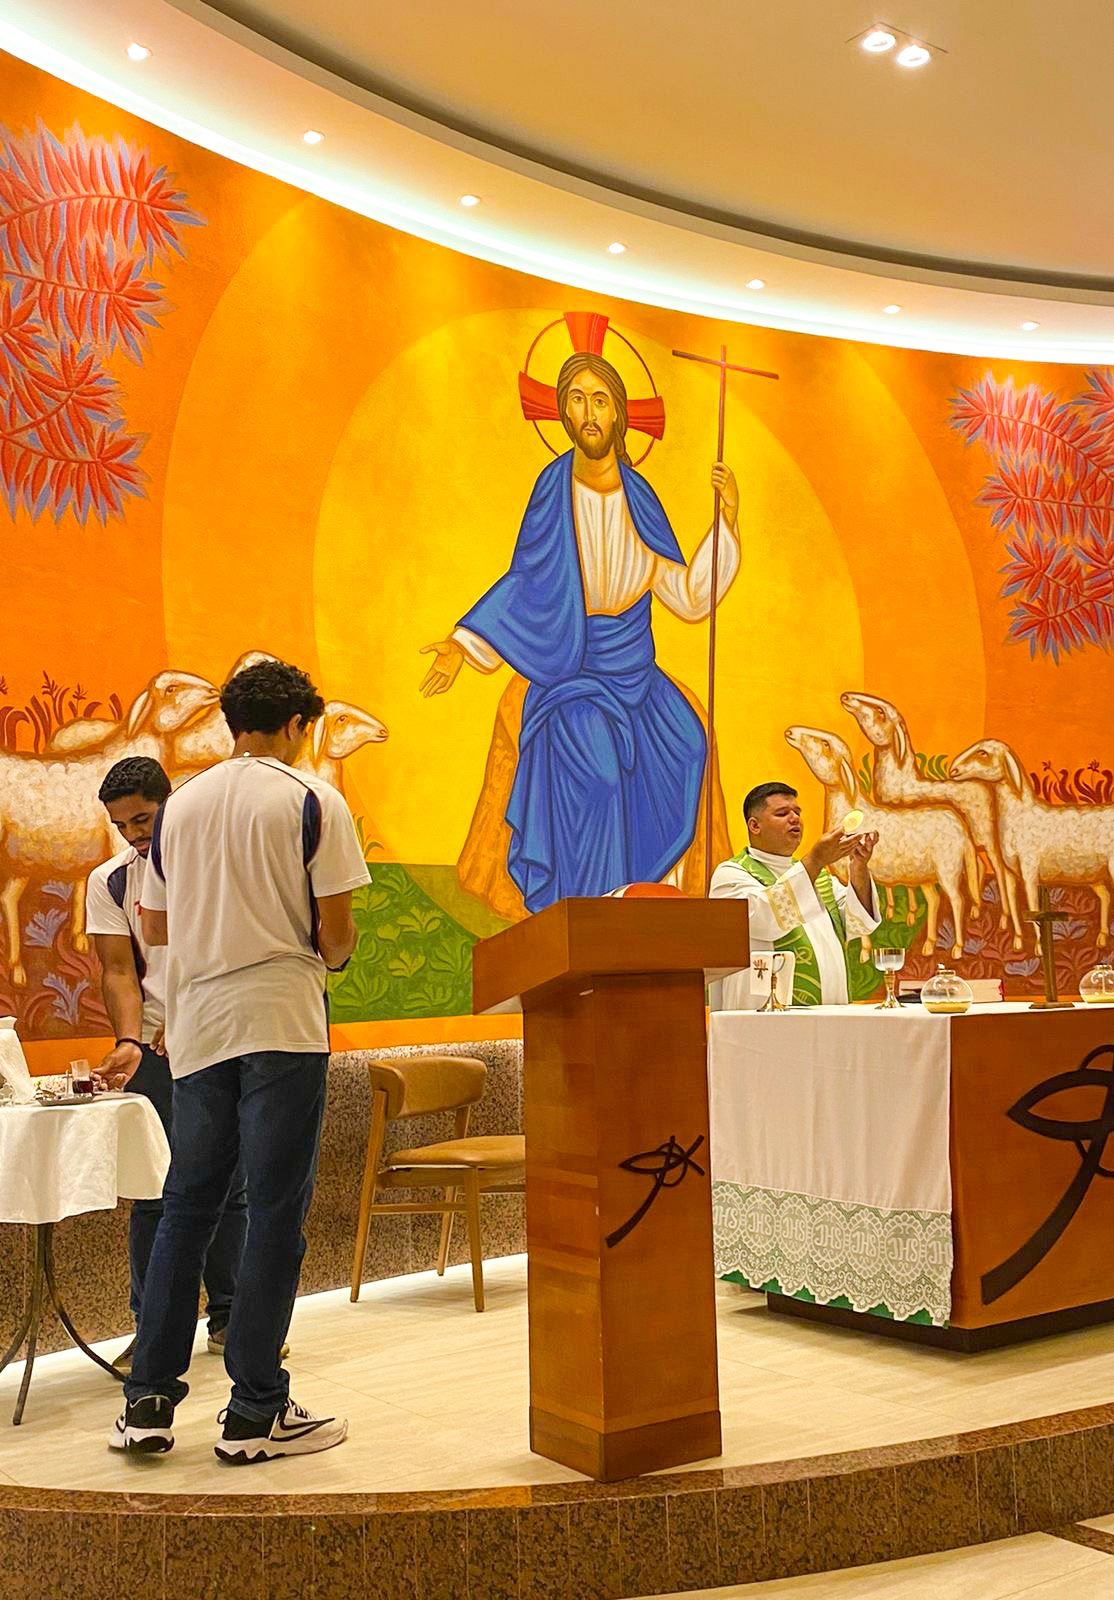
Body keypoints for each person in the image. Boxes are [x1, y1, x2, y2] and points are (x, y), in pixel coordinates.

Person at [106, 660, 370, 1464]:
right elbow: (335, 935)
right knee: (273, 1213)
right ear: (296, 725)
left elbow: (154, 927)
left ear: (231, 724)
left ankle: (147, 1402)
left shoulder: (180, 808)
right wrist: (325, 953)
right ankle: (256, 1409)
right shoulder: (312, 798)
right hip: (281, 1019)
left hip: (197, 1025)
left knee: (187, 1206)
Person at [419, 349, 741, 909]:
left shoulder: (640, 497)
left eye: (600, 400)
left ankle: (643, 902)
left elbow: (687, 596)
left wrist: (727, 520)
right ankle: (591, 913)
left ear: (618, 414)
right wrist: (463, 644)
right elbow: (526, 579)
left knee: (690, 745)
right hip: (572, 669)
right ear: (564, 414)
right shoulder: (553, 489)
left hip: (635, 669)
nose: (589, 413)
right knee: (600, 779)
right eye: (576, 399)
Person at [87, 757, 248, 1376]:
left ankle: (232, 1321)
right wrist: (130, 1039)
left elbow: (228, 951)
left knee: (229, 1186)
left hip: (220, 1035)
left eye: (143, 819)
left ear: (170, 805)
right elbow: (118, 969)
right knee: (155, 1189)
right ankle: (151, 1331)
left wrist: (192, 1019)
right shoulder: (109, 881)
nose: (133, 835)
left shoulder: (215, 864)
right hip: (153, 1049)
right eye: (121, 825)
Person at [709, 782, 880, 1008]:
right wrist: (815, 860)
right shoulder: (731, 875)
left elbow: (859, 923)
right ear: (755, 826)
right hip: (764, 1015)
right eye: (782, 813)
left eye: (797, 812)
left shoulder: (819, 879)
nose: (795, 818)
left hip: (829, 1010)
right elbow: (766, 920)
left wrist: (858, 867)